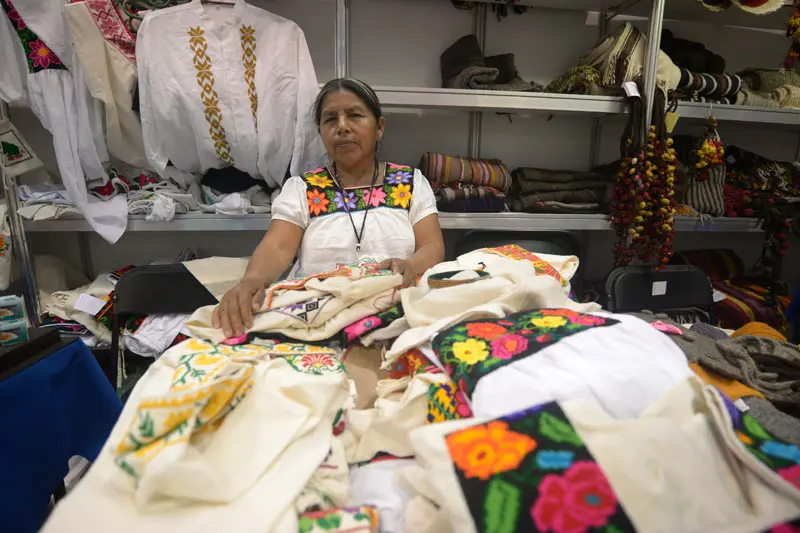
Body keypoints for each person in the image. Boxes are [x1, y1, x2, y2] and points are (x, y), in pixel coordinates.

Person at [213, 78, 445, 338]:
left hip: (395, 315)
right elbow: (277, 246)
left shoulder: (410, 183)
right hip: (315, 320)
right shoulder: (303, 188)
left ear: (379, 127)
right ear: (321, 131)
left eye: (355, 115)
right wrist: (253, 280)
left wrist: (411, 265)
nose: (342, 127)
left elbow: (432, 246)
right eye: (330, 119)